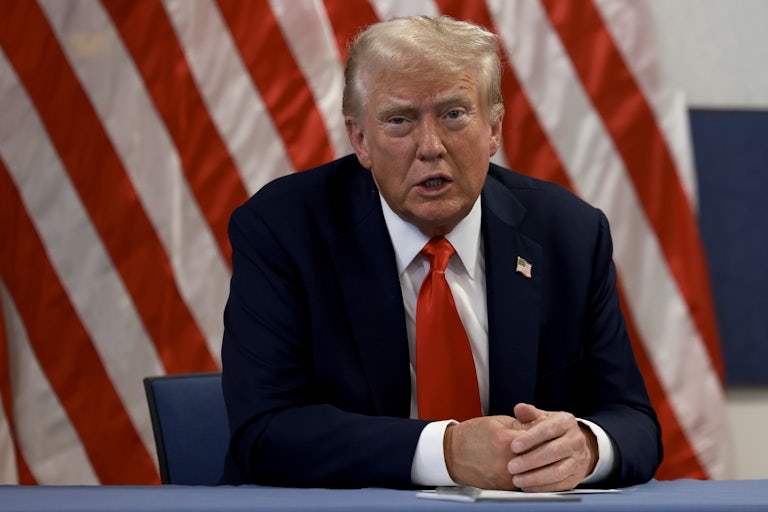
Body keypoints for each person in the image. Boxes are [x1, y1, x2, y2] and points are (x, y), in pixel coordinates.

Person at [219, 15, 662, 491]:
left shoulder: (568, 233)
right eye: (399, 120)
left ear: (493, 128)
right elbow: (265, 433)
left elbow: (632, 420)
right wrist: (447, 452)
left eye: (454, 114)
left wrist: (586, 448)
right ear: (359, 139)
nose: (430, 147)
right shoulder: (284, 230)